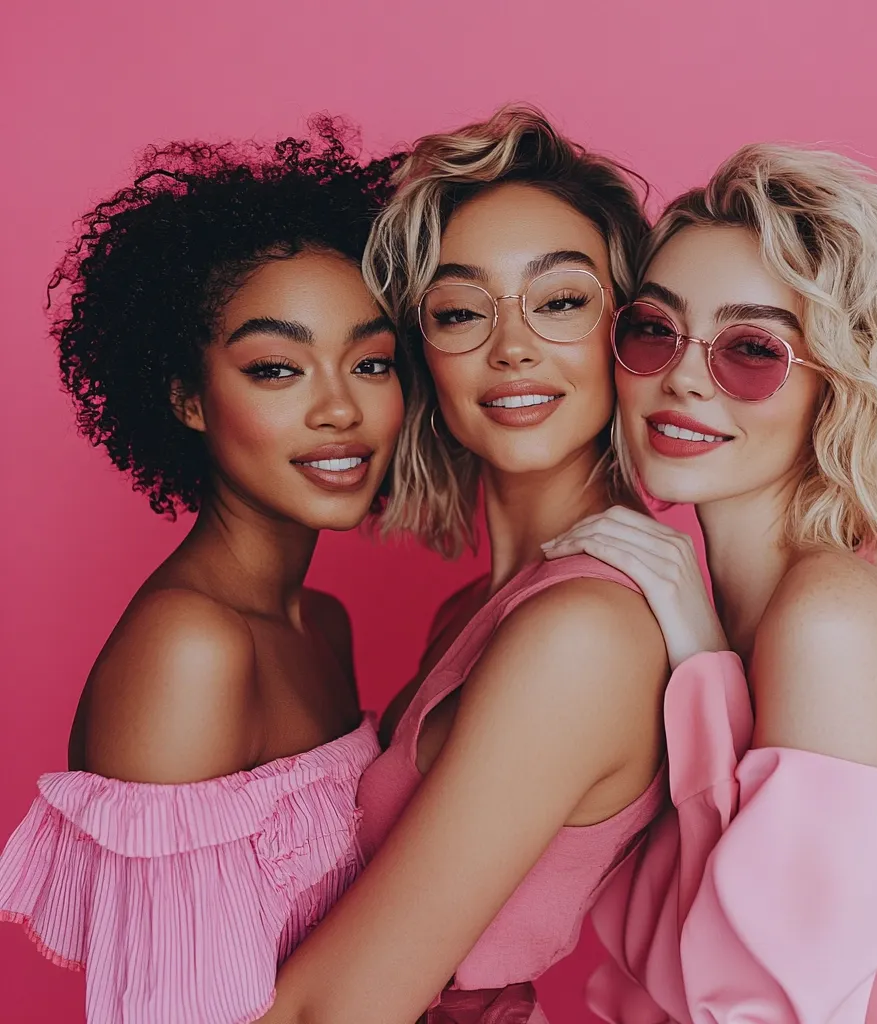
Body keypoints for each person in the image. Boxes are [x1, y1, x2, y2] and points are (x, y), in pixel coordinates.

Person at [258, 106, 725, 1024]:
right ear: (422, 353)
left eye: (559, 301)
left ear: (632, 333)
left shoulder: (581, 633)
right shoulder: (485, 604)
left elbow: (337, 1009)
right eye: (463, 311)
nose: (511, 347)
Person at [544, 143, 877, 1022]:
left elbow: (768, 1006)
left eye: (752, 350)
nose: (683, 375)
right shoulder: (697, 610)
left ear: (838, 388)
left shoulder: (833, 624)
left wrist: (706, 666)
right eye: (653, 328)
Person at [0, 120, 405, 1024]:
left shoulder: (320, 621)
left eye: (371, 362)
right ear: (186, 397)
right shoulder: (191, 649)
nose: (339, 407)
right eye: (275, 368)